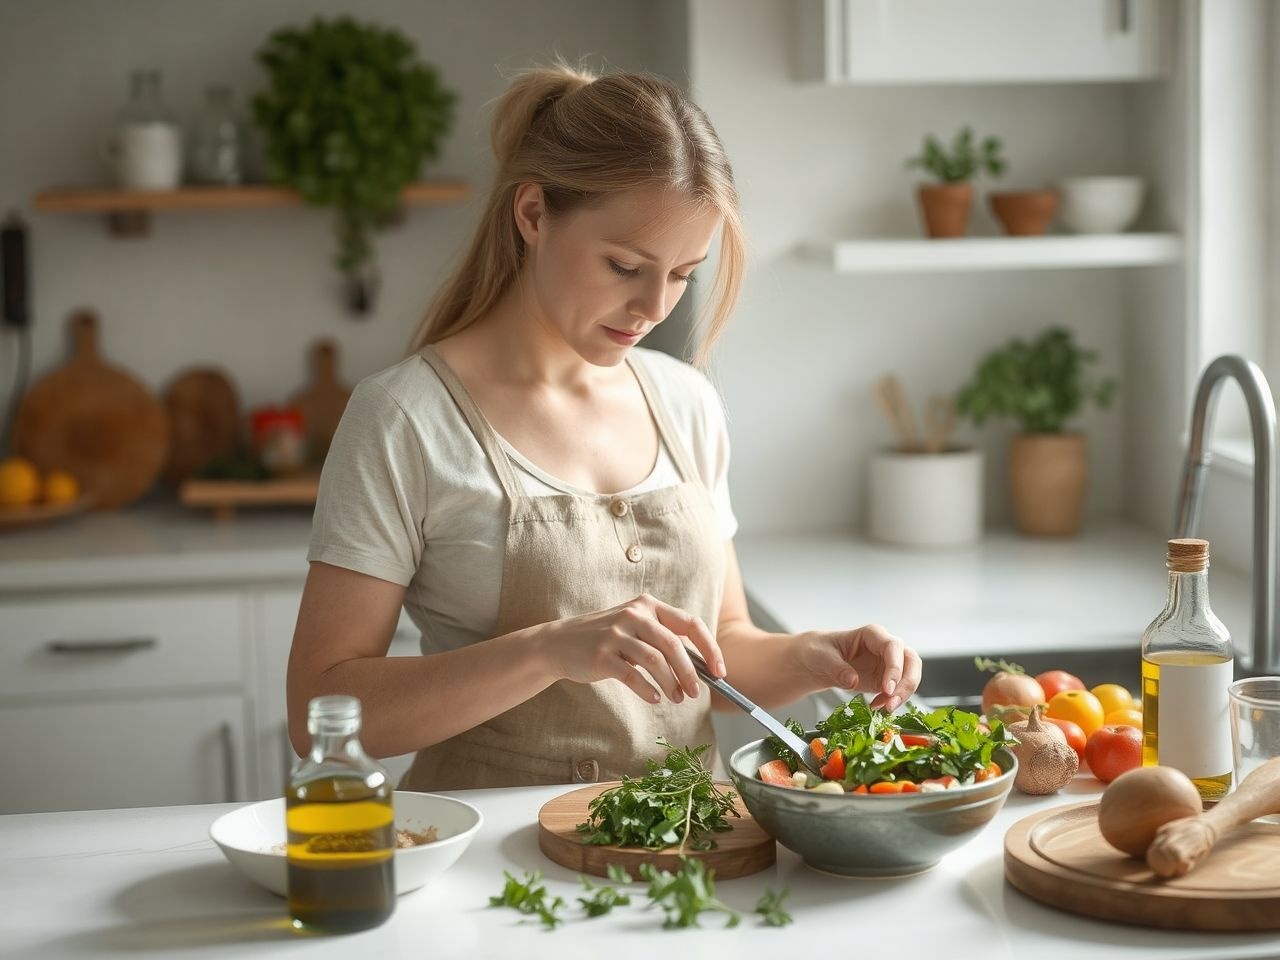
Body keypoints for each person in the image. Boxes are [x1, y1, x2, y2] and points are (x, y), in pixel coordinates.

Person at [287, 63, 922, 790]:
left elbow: (719, 653)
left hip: (695, 839)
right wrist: (547, 651)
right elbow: (317, 711)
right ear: (533, 214)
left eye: (682, 274)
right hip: (492, 843)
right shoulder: (404, 418)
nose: (655, 307)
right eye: (625, 266)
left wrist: (812, 657)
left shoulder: (685, 402)